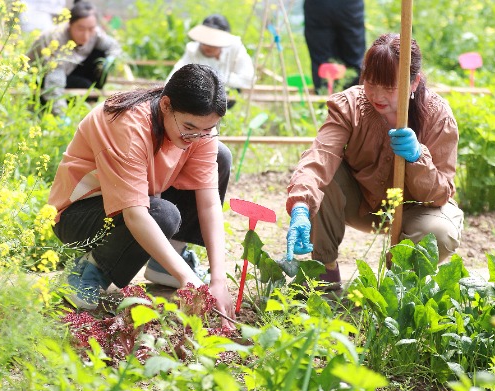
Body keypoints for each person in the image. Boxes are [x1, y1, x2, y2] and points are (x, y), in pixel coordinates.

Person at [48, 63, 235, 326]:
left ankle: (166, 262)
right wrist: (189, 279)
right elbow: (135, 215)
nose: (197, 137)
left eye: (208, 129)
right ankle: (89, 270)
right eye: (189, 127)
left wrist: (219, 279)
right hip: (80, 215)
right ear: (166, 105)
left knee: (220, 156)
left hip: (143, 201)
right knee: (162, 215)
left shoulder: (198, 131)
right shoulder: (127, 126)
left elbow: (208, 203)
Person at [285, 33, 464, 290]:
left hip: (414, 210)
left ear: (414, 82)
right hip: (362, 204)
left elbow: (439, 194)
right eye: (371, 82)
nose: (377, 95)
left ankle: (401, 284)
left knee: (440, 232)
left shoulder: (437, 116)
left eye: (389, 87)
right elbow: (320, 155)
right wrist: (301, 204)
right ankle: (324, 273)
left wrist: (418, 158)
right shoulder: (350, 105)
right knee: (324, 175)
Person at [26, 0, 122, 116]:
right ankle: (51, 108)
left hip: (70, 70)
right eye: (80, 29)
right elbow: (54, 82)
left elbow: (114, 46)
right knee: (84, 85)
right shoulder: (56, 39)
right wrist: (62, 115)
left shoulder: (95, 33)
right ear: (70, 24)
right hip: (42, 78)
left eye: (91, 29)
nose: (86, 35)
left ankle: (89, 101)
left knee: (100, 54)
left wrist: (111, 59)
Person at [168, 14, 255, 91]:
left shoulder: (235, 48)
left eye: (213, 43)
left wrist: (219, 78)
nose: (207, 46)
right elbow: (175, 74)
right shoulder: (193, 50)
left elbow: (249, 79)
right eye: (205, 42)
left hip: (229, 95)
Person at [303, 0, 365, 92]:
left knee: (322, 61)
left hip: (318, 6)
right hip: (349, 6)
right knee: (353, 59)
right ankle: (355, 97)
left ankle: (324, 96)